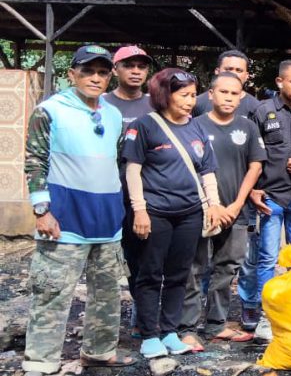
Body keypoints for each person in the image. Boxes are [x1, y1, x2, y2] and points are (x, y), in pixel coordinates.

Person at [23, 45, 134, 374]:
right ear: (72, 74)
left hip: (107, 219)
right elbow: (34, 161)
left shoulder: (113, 114)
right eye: (88, 71)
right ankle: (40, 362)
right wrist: (41, 210)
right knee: (52, 292)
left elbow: (114, 160)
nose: (96, 78)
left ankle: (99, 352)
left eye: (103, 72)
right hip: (65, 218)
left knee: (108, 293)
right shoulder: (50, 111)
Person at [122, 68, 226, 358]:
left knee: (180, 274)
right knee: (150, 273)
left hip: (190, 213)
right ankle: (149, 335)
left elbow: (207, 170)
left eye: (193, 95)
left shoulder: (195, 127)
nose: (191, 101)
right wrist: (139, 210)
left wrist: (213, 203)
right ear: (165, 95)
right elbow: (133, 170)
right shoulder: (145, 126)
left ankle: (170, 331)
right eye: (184, 95)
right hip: (155, 212)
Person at [177, 73, 266, 349]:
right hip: (200, 211)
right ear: (211, 94)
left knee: (227, 269)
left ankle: (216, 323)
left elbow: (256, 166)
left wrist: (238, 204)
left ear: (241, 97)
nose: (228, 98)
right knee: (194, 268)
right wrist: (211, 205)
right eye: (223, 92)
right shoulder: (193, 126)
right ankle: (187, 327)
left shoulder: (248, 127)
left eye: (234, 93)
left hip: (236, 212)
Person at [246, 60, 291, 340]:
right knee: (267, 259)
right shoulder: (262, 112)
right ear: (280, 82)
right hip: (270, 196)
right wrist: (253, 189)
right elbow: (251, 154)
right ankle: (267, 316)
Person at [102, 45, 154, 336]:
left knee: (142, 254)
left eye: (141, 66)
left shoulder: (153, 105)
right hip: (106, 192)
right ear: (115, 69)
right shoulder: (102, 103)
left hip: (144, 195)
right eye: (128, 65)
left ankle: (141, 310)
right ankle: (104, 324)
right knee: (107, 254)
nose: (136, 71)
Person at [192, 50, 259, 117]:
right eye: (228, 69)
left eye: (239, 70)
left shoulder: (256, 107)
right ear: (217, 71)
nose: (233, 73)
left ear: (246, 76)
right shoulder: (197, 103)